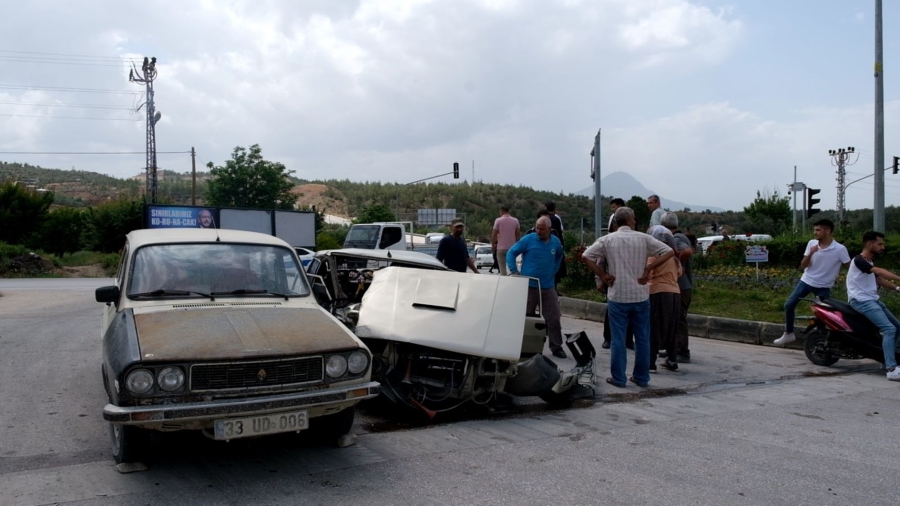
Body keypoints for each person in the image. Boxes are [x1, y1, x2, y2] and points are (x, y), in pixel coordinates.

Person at [581, 207, 674, 388]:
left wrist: (602, 275)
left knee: (618, 339)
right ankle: (641, 377)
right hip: (640, 295)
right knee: (642, 338)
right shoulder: (644, 238)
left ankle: (619, 378)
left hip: (618, 295)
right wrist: (648, 269)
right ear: (631, 220)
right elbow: (669, 252)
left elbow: (586, 256)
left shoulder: (607, 240)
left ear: (616, 222)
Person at [774, 219, 850, 345]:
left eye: (818, 230)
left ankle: (819, 338)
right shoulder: (812, 244)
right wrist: (811, 253)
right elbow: (803, 266)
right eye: (814, 230)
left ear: (827, 231)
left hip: (824, 286)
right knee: (789, 304)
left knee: (822, 313)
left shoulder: (839, 249)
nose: (815, 233)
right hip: (806, 281)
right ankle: (788, 333)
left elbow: (850, 266)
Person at [507, 216, 565, 358]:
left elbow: (559, 256)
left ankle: (556, 346)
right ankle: (521, 346)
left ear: (549, 229)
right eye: (537, 227)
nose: (538, 231)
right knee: (525, 318)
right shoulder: (528, 239)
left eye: (542, 229)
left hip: (547, 286)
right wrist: (514, 271)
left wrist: (554, 270)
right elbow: (511, 253)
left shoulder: (555, 243)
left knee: (553, 318)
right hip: (529, 286)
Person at [846, 231, 900, 380]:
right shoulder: (859, 260)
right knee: (889, 329)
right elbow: (879, 271)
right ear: (869, 244)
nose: (882, 247)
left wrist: (896, 288)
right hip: (861, 301)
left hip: (872, 300)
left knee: (898, 328)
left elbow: (880, 280)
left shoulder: (869, 262)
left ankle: (887, 360)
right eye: (880, 244)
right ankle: (891, 368)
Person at [647, 226, 682, 372]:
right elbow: (679, 273)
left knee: (654, 327)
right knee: (672, 327)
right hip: (675, 293)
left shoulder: (655, 255)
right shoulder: (675, 258)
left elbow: (647, 272)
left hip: (658, 292)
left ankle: (650, 363)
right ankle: (672, 360)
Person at [662, 211, 695, 363]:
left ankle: (682, 351)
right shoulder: (681, 236)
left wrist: (677, 264)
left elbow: (687, 251)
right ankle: (673, 348)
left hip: (681, 286)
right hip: (683, 286)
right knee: (674, 319)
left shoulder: (676, 238)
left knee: (679, 319)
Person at [491, 206, 521, 276]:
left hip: (501, 248)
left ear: (501, 211)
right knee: (513, 267)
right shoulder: (515, 220)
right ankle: (514, 279)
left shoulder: (498, 220)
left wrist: (493, 245)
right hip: (512, 248)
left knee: (502, 269)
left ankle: (504, 282)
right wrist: (517, 245)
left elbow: (494, 234)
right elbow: (518, 234)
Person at [544, 202, 567, 285]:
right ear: (554, 209)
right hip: (555, 246)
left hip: (545, 246)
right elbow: (560, 232)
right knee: (556, 266)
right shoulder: (556, 218)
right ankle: (554, 287)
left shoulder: (543, 219)